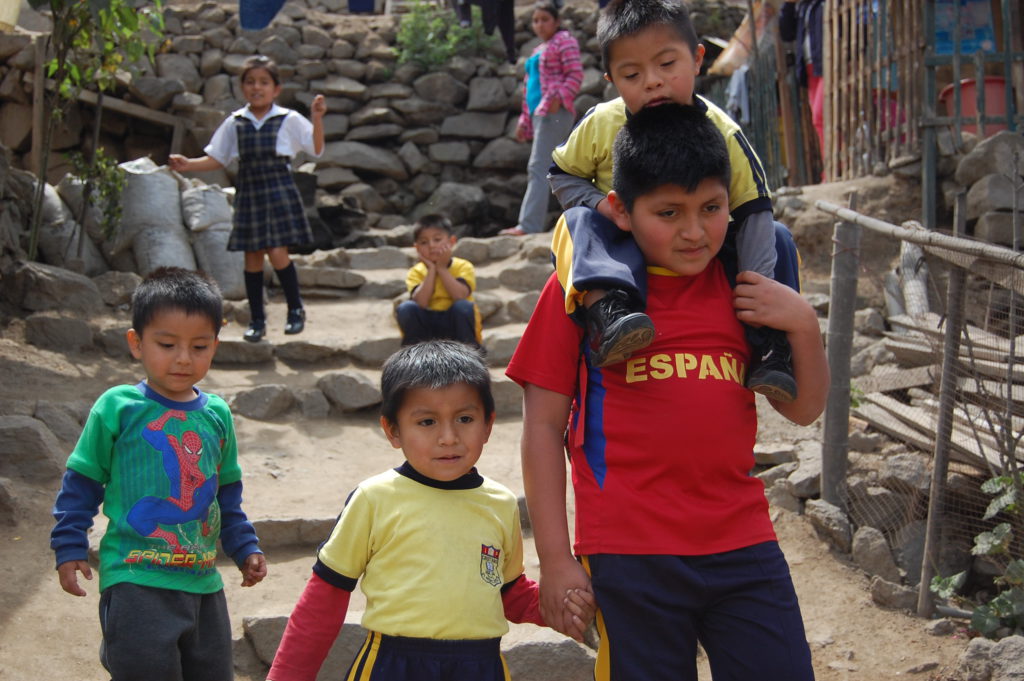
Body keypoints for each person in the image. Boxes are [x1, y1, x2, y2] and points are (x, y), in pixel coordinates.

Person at [508, 102, 828, 681]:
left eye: (711, 208)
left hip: (743, 544)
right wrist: (555, 560)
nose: (693, 230)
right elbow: (542, 427)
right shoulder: (584, 292)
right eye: (668, 212)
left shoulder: (746, 286)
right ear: (620, 211)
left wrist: (803, 323)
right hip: (629, 554)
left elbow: (803, 410)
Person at [267, 340, 595, 681]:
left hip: (481, 666)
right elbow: (324, 600)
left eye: (465, 418)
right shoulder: (374, 499)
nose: (448, 437)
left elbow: (506, 592)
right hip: (392, 665)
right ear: (393, 430)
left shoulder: (500, 504)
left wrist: (561, 607)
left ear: (488, 425)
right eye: (427, 422)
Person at [546, 0, 801, 403]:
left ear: (698, 59)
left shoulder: (724, 131)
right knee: (577, 220)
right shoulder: (599, 124)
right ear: (612, 79)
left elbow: (752, 209)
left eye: (667, 65)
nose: (652, 82)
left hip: (694, 248)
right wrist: (601, 207)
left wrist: (757, 292)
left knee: (779, 237)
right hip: (620, 241)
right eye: (632, 74)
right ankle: (609, 314)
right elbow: (562, 174)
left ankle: (771, 347)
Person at [49, 266, 267, 681]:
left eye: (199, 346)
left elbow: (226, 494)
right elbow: (82, 482)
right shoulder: (118, 407)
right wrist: (69, 543)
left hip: (203, 583)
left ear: (215, 347)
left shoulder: (218, 414)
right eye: (167, 344)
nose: (184, 358)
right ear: (137, 343)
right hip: (135, 578)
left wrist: (244, 547)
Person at [169, 56, 326, 343]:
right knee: (252, 257)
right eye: (250, 82)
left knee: (277, 252)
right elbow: (217, 158)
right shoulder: (236, 122)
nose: (257, 88)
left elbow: (315, 149)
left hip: (278, 190)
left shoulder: (288, 119)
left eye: (264, 82)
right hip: (250, 191)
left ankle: (295, 310)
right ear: (242, 87)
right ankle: (257, 320)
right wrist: (188, 164)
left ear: (276, 89)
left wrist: (317, 118)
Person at [500, 1, 582, 237]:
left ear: (556, 22)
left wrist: (560, 97)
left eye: (545, 19)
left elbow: (575, 74)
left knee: (539, 167)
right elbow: (530, 90)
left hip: (554, 112)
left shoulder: (564, 40)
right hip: (541, 113)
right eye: (536, 20)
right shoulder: (538, 50)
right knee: (559, 167)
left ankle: (528, 226)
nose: (539, 25)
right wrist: (524, 122)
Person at [396, 214, 483, 347]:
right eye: (424, 242)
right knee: (407, 308)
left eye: (437, 239)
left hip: (457, 326)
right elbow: (421, 302)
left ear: (452, 242)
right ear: (417, 248)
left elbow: (460, 295)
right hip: (427, 326)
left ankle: (469, 356)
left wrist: (441, 268)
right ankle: (413, 357)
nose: (431, 246)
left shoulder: (463, 266)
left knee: (463, 307)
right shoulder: (416, 272)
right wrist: (431, 270)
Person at [779, 0, 826, 165]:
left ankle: (835, 166)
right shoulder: (803, 6)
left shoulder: (824, 4)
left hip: (827, 65)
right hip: (809, 68)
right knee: (818, 120)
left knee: (821, 115)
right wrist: (789, 4)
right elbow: (786, 33)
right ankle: (831, 167)